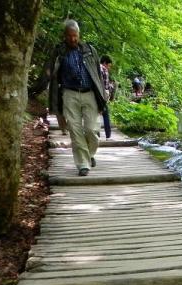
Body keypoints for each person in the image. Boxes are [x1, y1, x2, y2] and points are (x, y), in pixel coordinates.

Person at [47, 19, 106, 176]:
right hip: (69, 94)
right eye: (69, 36)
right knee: (74, 129)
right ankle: (83, 164)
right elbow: (50, 74)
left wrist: (103, 97)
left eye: (75, 35)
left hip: (90, 94)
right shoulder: (59, 52)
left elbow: (98, 75)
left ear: (79, 34)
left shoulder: (90, 50)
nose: (73, 39)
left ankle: (89, 154)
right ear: (64, 36)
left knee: (92, 130)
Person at [100, 55, 114, 139]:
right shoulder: (103, 69)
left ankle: (96, 135)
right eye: (109, 65)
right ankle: (108, 135)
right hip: (102, 96)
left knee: (94, 116)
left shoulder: (94, 67)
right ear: (105, 63)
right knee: (106, 115)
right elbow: (106, 86)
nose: (108, 68)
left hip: (92, 95)